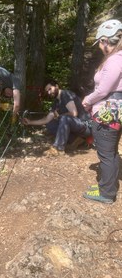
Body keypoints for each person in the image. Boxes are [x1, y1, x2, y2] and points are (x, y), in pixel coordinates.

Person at [82, 19, 122, 204]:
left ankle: (106, 193)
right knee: (110, 152)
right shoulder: (117, 58)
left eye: (100, 42)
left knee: (106, 154)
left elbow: (104, 90)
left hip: (107, 113)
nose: (98, 46)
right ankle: (107, 185)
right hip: (112, 112)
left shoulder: (115, 60)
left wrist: (87, 101)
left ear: (106, 41)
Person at [21, 79, 91, 156]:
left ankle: (58, 148)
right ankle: (76, 140)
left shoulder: (65, 94)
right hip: (75, 127)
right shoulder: (56, 102)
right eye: (47, 91)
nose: (49, 92)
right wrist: (30, 122)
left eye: (50, 89)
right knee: (50, 124)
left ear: (57, 86)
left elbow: (74, 113)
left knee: (64, 118)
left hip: (84, 126)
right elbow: (46, 119)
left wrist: (59, 116)